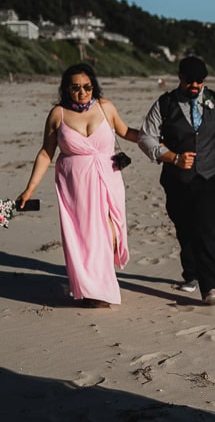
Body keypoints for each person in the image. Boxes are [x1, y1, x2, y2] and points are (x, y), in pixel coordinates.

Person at [17, 63, 139, 308]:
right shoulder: (58, 114)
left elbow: (126, 132)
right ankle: (95, 291)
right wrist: (29, 189)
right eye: (76, 88)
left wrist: (157, 141)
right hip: (75, 185)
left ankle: (98, 284)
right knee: (85, 237)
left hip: (108, 179)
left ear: (93, 86)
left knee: (111, 231)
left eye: (87, 86)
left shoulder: (106, 107)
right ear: (67, 89)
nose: (82, 92)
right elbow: (45, 153)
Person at [137, 56, 215, 305]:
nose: (195, 85)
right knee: (185, 228)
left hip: (213, 177)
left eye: (200, 81)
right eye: (190, 80)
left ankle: (211, 287)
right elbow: (145, 137)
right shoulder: (165, 103)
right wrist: (170, 157)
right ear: (180, 77)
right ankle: (191, 275)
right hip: (177, 180)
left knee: (207, 229)